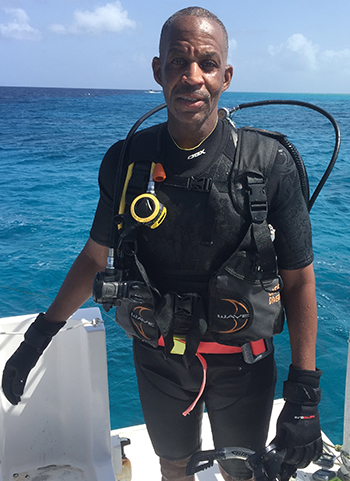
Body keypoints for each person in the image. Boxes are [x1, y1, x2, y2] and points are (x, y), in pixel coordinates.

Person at [2, 7, 322, 481]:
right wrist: (38, 337)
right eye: (178, 61)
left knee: (243, 468)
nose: (192, 77)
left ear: (226, 76)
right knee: (173, 464)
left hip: (244, 362)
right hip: (159, 359)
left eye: (207, 63)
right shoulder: (128, 160)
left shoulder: (269, 163)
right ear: (158, 70)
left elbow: (298, 280)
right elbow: (95, 257)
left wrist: (304, 393)